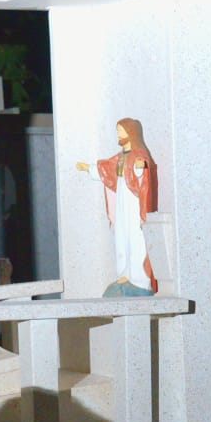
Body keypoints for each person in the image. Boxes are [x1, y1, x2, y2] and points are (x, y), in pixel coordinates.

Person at [77, 117, 157, 296]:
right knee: (122, 236)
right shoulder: (121, 157)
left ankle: (140, 279)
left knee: (136, 239)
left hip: (134, 203)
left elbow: (143, 172)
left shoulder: (139, 154)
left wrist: (139, 168)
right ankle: (124, 274)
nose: (119, 134)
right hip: (122, 202)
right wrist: (89, 167)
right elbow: (107, 167)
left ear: (131, 133)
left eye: (121, 131)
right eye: (118, 131)